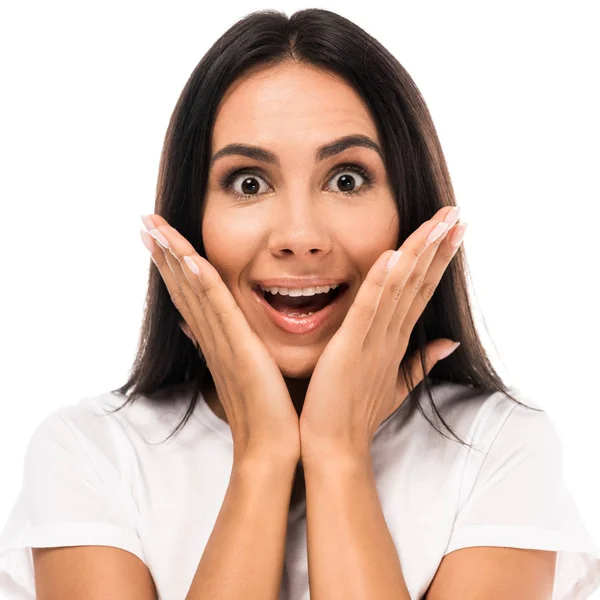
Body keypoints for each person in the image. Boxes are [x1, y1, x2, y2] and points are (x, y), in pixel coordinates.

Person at [1, 8, 599, 600]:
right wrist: (262, 457)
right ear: (192, 219)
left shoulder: (499, 447)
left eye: (346, 179)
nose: (299, 235)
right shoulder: (90, 452)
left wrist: (338, 454)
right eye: (248, 183)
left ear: (409, 210)